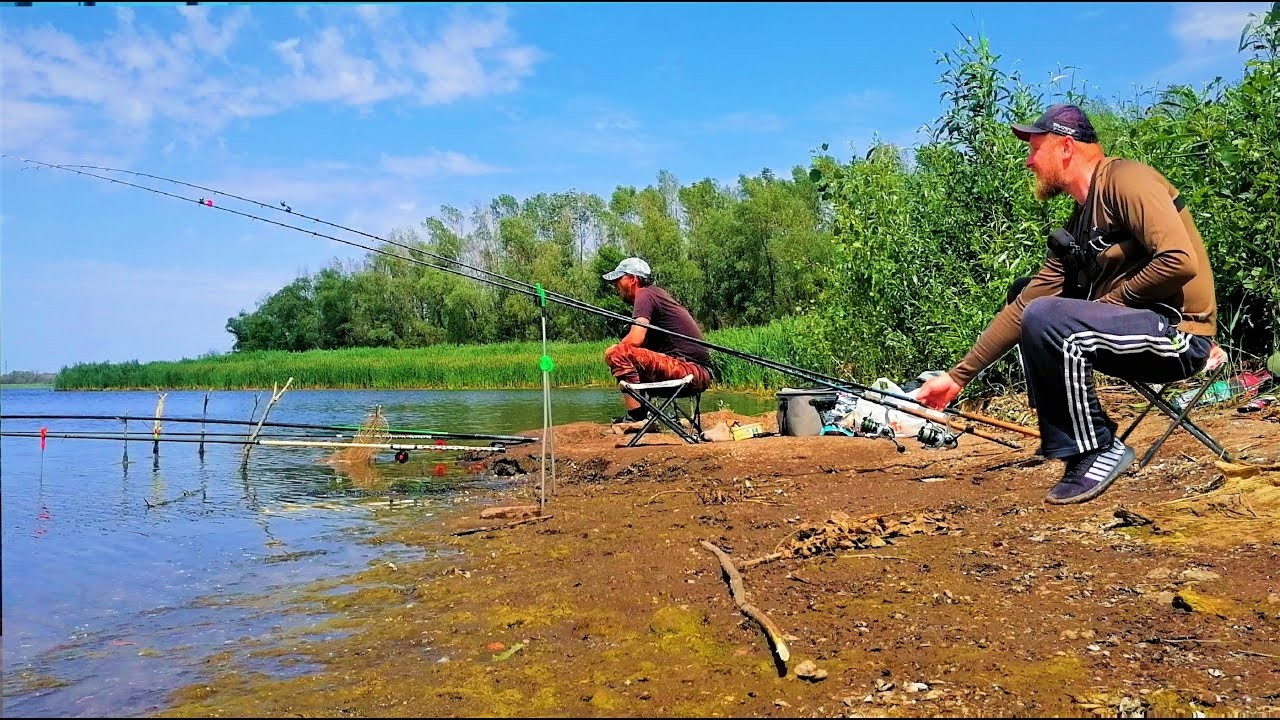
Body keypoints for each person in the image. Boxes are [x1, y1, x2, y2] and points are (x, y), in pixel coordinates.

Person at [917, 103, 1218, 505]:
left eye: (1034, 149)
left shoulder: (1126, 179)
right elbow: (1025, 305)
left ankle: (1097, 448)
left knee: (1049, 316)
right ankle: (1063, 434)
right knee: (1029, 299)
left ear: (1064, 146)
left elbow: (1179, 260)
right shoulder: (1081, 220)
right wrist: (957, 378)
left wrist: (1111, 303)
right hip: (1132, 334)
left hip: (1180, 336)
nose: (1028, 162)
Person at [601, 257, 714, 429]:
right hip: (695, 372)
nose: (615, 284)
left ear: (633, 279)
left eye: (619, 278)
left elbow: (635, 338)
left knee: (617, 352)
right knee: (628, 353)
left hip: (692, 371)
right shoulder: (655, 294)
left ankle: (637, 418)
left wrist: (614, 349)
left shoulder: (645, 294)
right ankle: (642, 416)